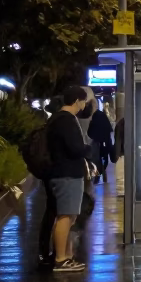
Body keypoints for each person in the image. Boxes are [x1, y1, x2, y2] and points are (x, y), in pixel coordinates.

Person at [46, 86, 92, 272]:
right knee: (65, 217)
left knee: (68, 216)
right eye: (83, 102)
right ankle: (61, 259)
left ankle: (64, 256)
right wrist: (88, 149)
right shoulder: (66, 120)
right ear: (77, 101)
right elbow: (75, 149)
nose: (83, 106)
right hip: (67, 174)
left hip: (62, 173)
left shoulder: (57, 119)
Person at [88, 99, 114, 184]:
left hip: (99, 142)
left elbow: (91, 131)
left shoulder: (96, 116)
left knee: (97, 159)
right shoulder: (100, 115)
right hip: (103, 142)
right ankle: (99, 175)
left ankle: (97, 176)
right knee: (103, 158)